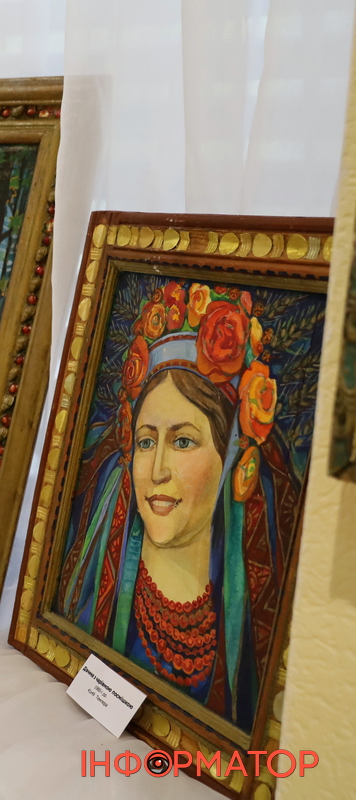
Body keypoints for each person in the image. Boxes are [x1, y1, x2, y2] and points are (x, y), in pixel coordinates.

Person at [58, 280, 299, 731]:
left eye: (183, 441)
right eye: (146, 441)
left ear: (231, 458)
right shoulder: (94, 591)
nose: (157, 470)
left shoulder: (252, 619)